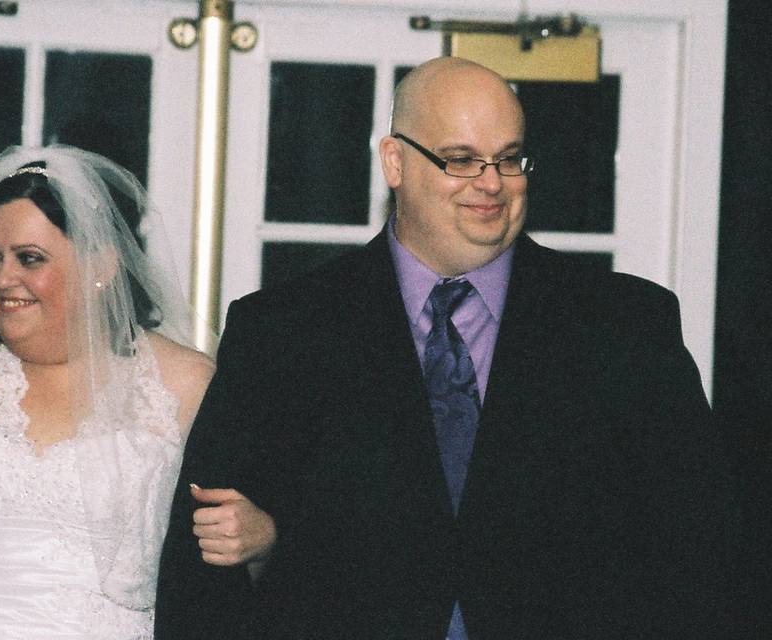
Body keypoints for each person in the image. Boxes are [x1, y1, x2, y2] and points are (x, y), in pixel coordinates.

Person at [155, 57, 736, 639]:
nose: (491, 183)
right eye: (460, 160)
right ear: (395, 162)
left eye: (509, 159)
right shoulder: (282, 331)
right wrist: (269, 545)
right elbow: (207, 570)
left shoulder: (626, 326)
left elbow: (700, 546)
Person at [0, 145, 275, 639]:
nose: (4, 279)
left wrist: (264, 541)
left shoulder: (185, 384)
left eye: (30, 258)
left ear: (102, 266)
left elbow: (249, 555)